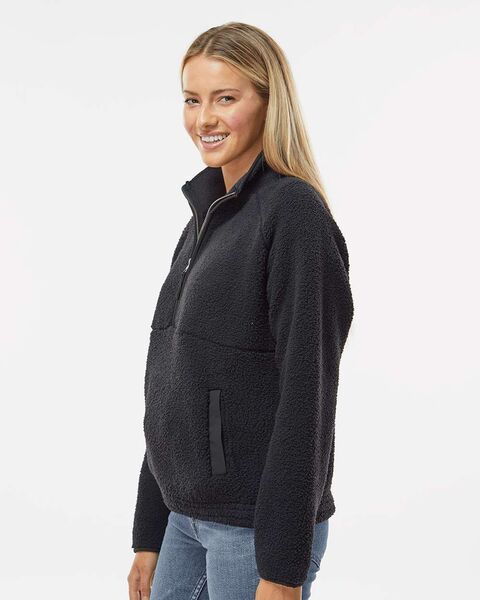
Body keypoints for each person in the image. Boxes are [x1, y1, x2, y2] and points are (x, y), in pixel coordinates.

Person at [127, 21, 354, 600]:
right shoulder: (204, 218)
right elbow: (171, 383)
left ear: (269, 104)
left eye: (225, 98)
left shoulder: (294, 216)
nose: (204, 119)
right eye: (192, 99)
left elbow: (308, 399)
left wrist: (281, 567)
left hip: (254, 527)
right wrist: (149, 531)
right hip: (183, 517)